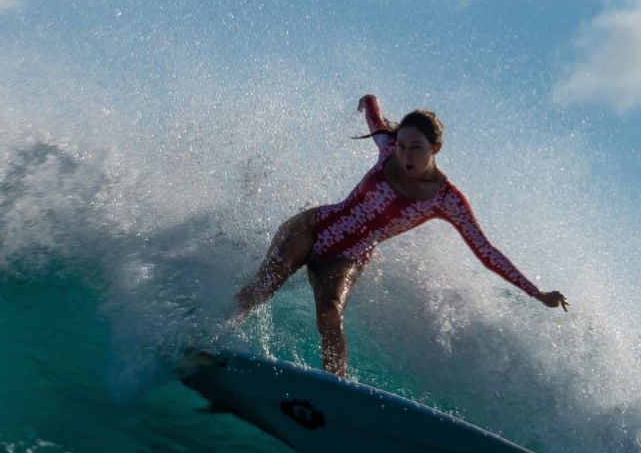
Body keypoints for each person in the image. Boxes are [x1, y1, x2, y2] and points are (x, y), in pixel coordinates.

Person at [234, 96, 568, 377]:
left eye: (416, 148)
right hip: (313, 227)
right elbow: (375, 117)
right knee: (263, 287)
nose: (405, 155)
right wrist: (368, 101)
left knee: (331, 313)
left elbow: (486, 252)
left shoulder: (447, 199)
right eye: (403, 146)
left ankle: (335, 389)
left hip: (348, 256)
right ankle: (210, 334)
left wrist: (536, 293)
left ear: (436, 148)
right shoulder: (387, 148)